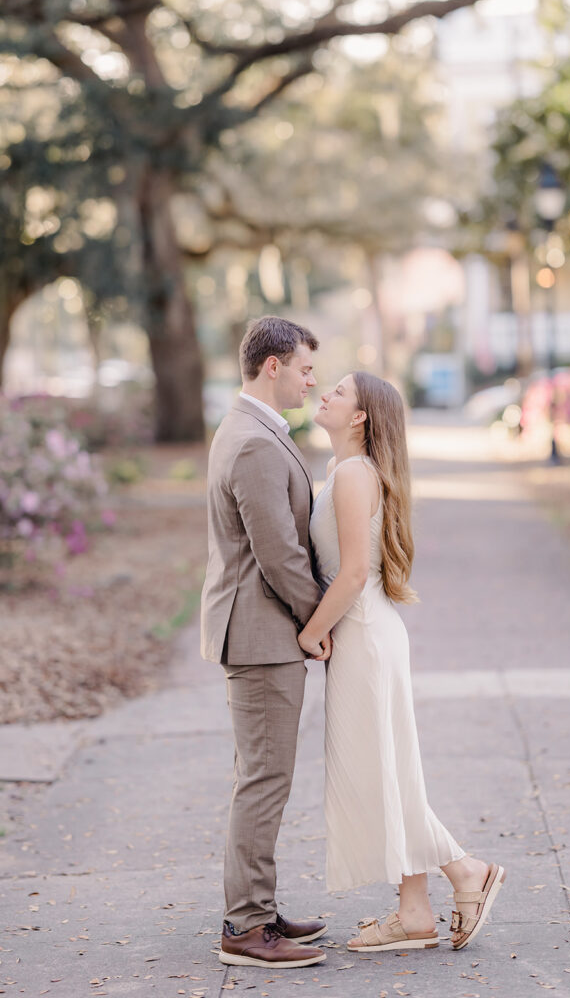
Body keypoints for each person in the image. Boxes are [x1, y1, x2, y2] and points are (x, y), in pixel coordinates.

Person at [298, 371, 506, 953]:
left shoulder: (355, 475)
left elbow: (355, 573)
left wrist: (309, 634)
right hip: (366, 634)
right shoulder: (345, 472)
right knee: (379, 773)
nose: (326, 395)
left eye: (339, 392)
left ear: (361, 416)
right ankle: (414, 909)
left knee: (377, 774)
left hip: (363, 633)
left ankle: (466, 871)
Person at [200, 316, 332, 969]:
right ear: (272, 365)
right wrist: (318, 622)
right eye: (306, 368)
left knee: (262, 776)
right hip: (260, 635)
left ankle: (259, 906)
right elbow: (278, 554)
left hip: (263, 633)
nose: (314, 380)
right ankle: (244, 927)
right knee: (262, 779)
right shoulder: (252, 442)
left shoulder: (254, 431)